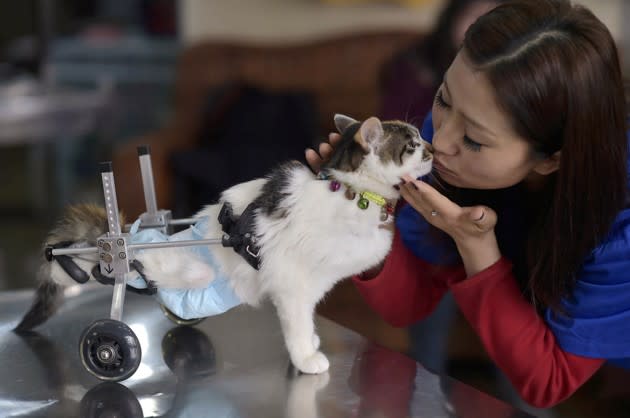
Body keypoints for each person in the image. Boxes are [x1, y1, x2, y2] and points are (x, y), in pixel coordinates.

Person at [306, 0, 630, 408]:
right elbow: (408, 304)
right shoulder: (448, 140)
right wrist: (365, 215)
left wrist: (476, 246)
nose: (439, 143)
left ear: (552, 158)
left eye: (475, 139)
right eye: (443, 99)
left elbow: (547, 381)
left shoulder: (620, 225)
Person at [378, 0, 503, 376]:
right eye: (476, 18)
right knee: (427, 343)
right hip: (422, 215)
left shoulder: (511, 76)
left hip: (491, 215)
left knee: (512, 348)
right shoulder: (415, 70)